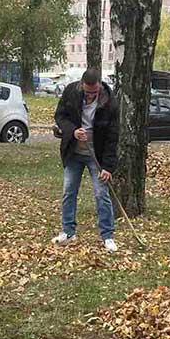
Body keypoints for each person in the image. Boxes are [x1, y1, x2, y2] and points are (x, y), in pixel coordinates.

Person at [52, 68, 119, 252]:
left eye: (94, 93)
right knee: (69, 192)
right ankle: (68, 232)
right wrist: (73, 131)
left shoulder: (109, 103)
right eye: (88, 92)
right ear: (82, 85)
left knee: (101, 194)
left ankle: (107, 236)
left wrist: (107, 167)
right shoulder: (71, 92)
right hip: (74, 152)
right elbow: (60, 116)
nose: (90, 96)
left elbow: (113, 137)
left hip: (95, 156)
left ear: (99, 87)